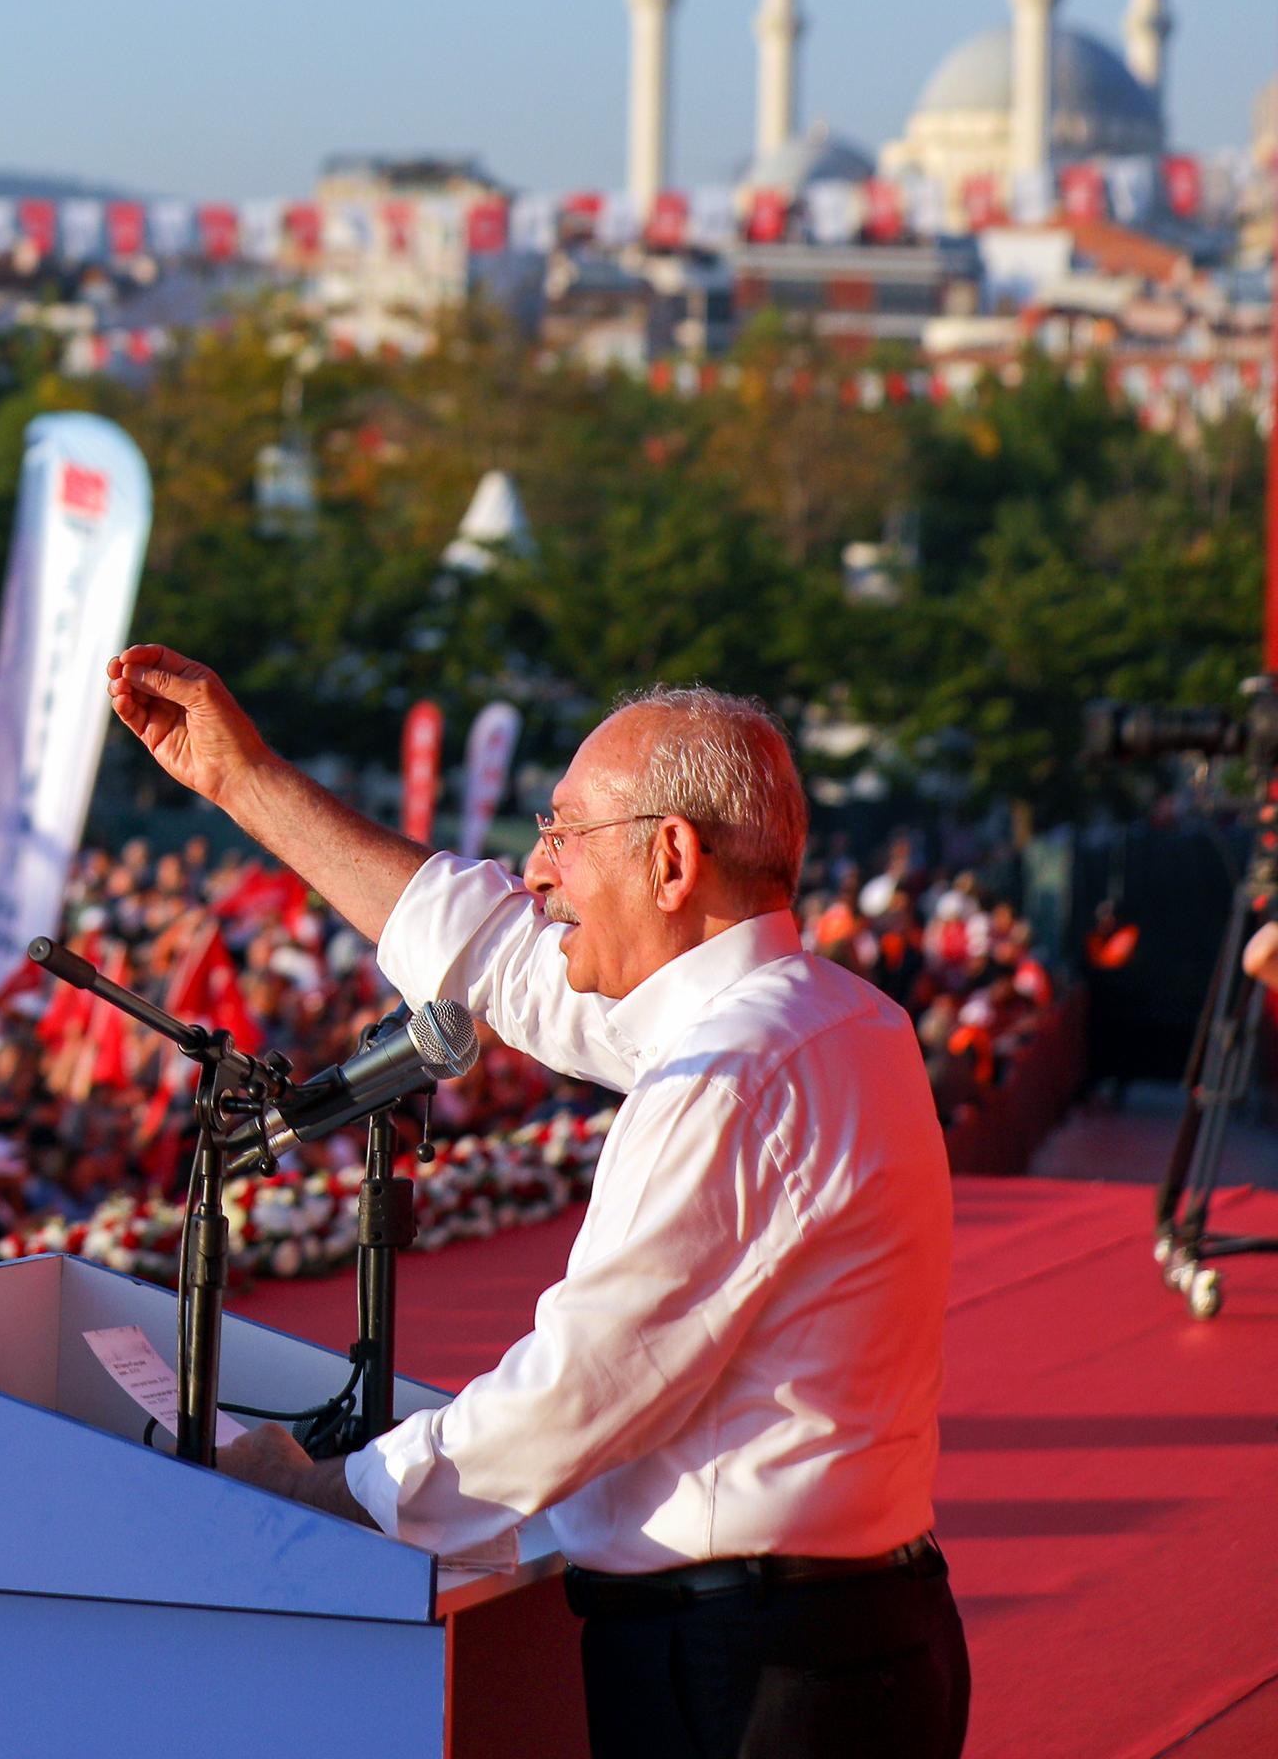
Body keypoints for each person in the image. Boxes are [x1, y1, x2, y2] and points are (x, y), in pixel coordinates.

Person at [105, 648, 964, 1759]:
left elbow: (585, 1386)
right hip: (840, 1640)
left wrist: (336, 1487)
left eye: (562, 830)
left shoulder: (733, 1071)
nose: (538, 868)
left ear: (671, 858)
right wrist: (243, 780)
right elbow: (500, 959)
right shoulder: (835, 1019)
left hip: (754, 1673)